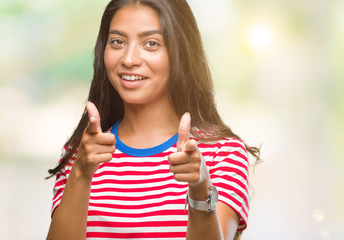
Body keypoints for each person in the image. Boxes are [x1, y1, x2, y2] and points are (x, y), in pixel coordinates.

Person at [46, 0, 260, 239]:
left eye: (151, 43)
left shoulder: (222, 154)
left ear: (181, 53)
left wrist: (200, 189)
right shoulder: (82, 154)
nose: (129, 59)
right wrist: (82, 173)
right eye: (117, 41)